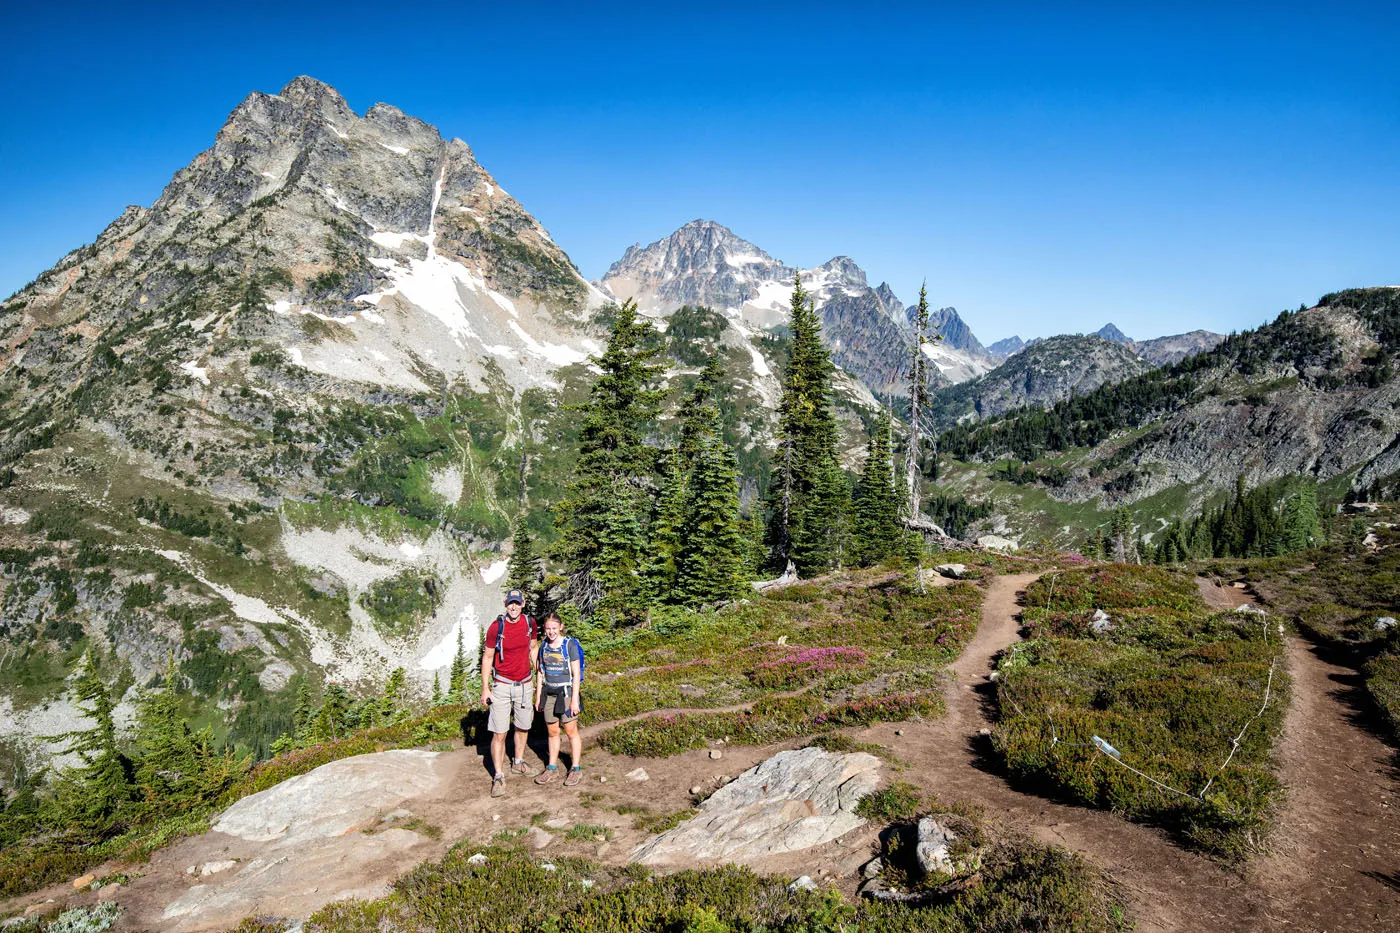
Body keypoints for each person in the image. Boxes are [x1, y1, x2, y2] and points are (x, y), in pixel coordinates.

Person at [480, 589, 538, 797]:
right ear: (506, 604)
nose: (513, 607)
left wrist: (538, 669)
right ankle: (498, 775)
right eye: (510, 603)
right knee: (500, 732)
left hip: (524, 683)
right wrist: (485, 687)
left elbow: (533, 647)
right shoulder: (496, 627)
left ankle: (518, 761)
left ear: (523, 604)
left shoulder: (530, 624)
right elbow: (487, 658)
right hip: (502, 684)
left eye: (517, 603)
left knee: (523, 726)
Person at [533, 612, 584, 786]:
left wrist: (574, 699)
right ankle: (552, 768)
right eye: (548, 629)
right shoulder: (544, 647)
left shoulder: (569, 645)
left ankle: (575, 768)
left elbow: (576, 674)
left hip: (566, 693)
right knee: (552, 732)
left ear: (561, 627)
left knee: (571, 731)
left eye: (554, 628)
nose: (551, 632)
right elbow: (540, 672)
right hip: (549, 694)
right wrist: (538, 696)